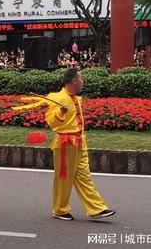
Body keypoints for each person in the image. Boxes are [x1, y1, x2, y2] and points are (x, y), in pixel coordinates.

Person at [43, 69, 115, 221]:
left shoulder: (75, 98)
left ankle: (97, 208)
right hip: (65, 144)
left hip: (80, 142)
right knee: (64, 178)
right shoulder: (58, 98)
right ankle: (60, 210)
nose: (83, 82)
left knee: (84, 176)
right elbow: (51, 121)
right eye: (81, 79)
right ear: (74, 80)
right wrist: (61, 113)